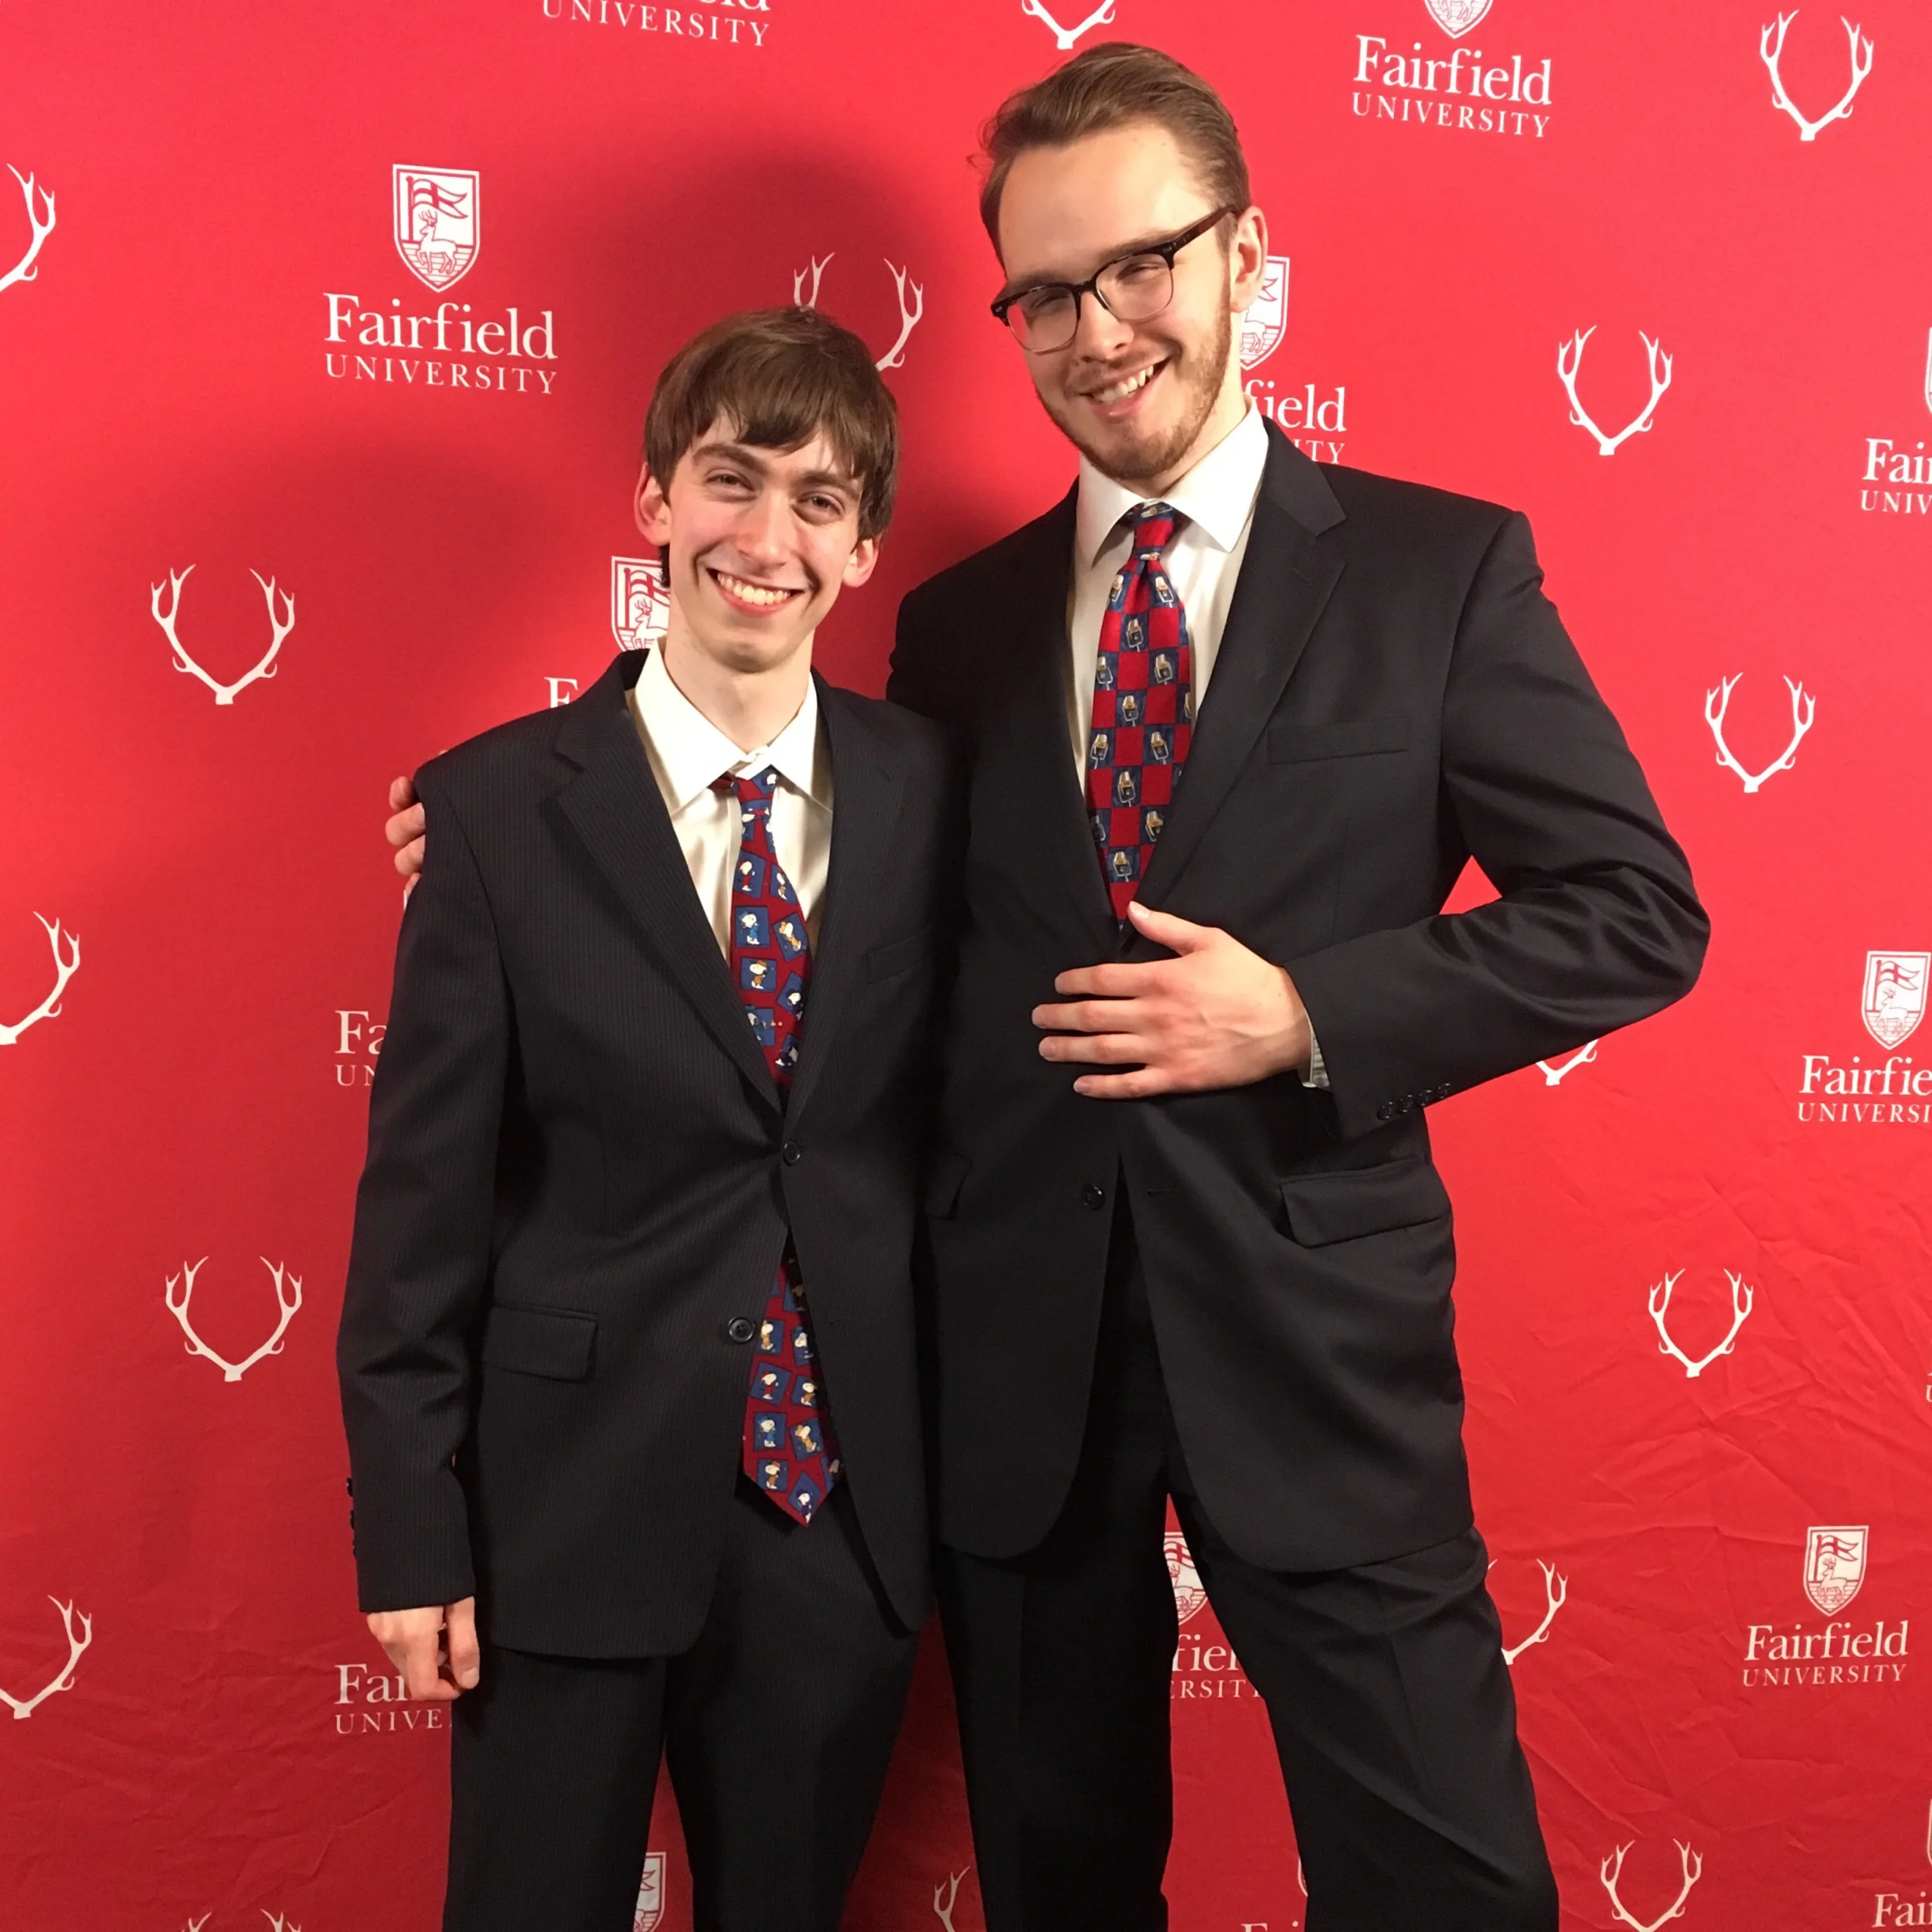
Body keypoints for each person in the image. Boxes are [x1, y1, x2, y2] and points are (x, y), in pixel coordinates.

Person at [386, 45, 1709, 1931]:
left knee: (1450, 1886)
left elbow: (1636, 911)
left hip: (1311, 1366)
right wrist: (527, 811)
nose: (1096, 330)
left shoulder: (1441, 573)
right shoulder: (961, 625)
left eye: (1138, 266)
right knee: (1059, 1888)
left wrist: (1305, 1012)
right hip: (1007, 1387)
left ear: (1243, 255)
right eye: (1042, 291)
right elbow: (789, 802)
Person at [338, 306, 951, 1932]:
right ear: (654, 500)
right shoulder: (490, 809)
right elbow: (419, 1210)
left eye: (818, 500)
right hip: (562, 1511)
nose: (767, 538)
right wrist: (411, 1530)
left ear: (863, 548)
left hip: (839, 1516)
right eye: (731, 480)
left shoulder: (941, 796)